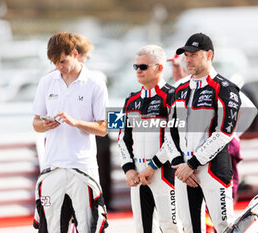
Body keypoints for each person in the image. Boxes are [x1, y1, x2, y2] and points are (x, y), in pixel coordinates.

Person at [142, 33, 241, 233]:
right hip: (182, 170)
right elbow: (170, 131)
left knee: (224, 227)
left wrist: (193, 164)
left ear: (209, 55)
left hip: (213, 168)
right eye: (186, 55)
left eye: (194, 55)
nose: (188, 59)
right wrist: (180, 164)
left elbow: (224, 133)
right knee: (189, 228)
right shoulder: (179, 89)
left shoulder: (225, 88)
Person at [32, 32, 108, 233]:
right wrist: (44, 125)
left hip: (82, 166)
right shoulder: (46, 82)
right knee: (50, 227)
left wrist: (76, 123)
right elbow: (35, 123)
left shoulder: (95, 82)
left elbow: (103, 128)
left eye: (63, 61)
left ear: (75, 54)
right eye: (54, 62)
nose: (59, 67)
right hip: (52, 166)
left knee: (88, 226)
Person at [118, 44, 182, 233]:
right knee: (141, 228)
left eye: (143, 67)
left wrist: (152, 166)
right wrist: (129, 169)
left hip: (164, 172)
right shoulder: (130, 100)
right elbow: (123, 138)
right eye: (136, 67)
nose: (138, 71)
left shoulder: (173, 96)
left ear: (159, 68)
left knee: (171, 226)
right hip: (138, 174)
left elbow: (175, 138)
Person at [73, 33, 112, 209]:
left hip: (97, 128)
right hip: (80, 136)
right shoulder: (55, 78)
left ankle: (105, 202)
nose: (87, 60)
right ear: (77, 54)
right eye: (86, 56)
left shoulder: (96, 77)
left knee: (104, 166)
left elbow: (107, 118)